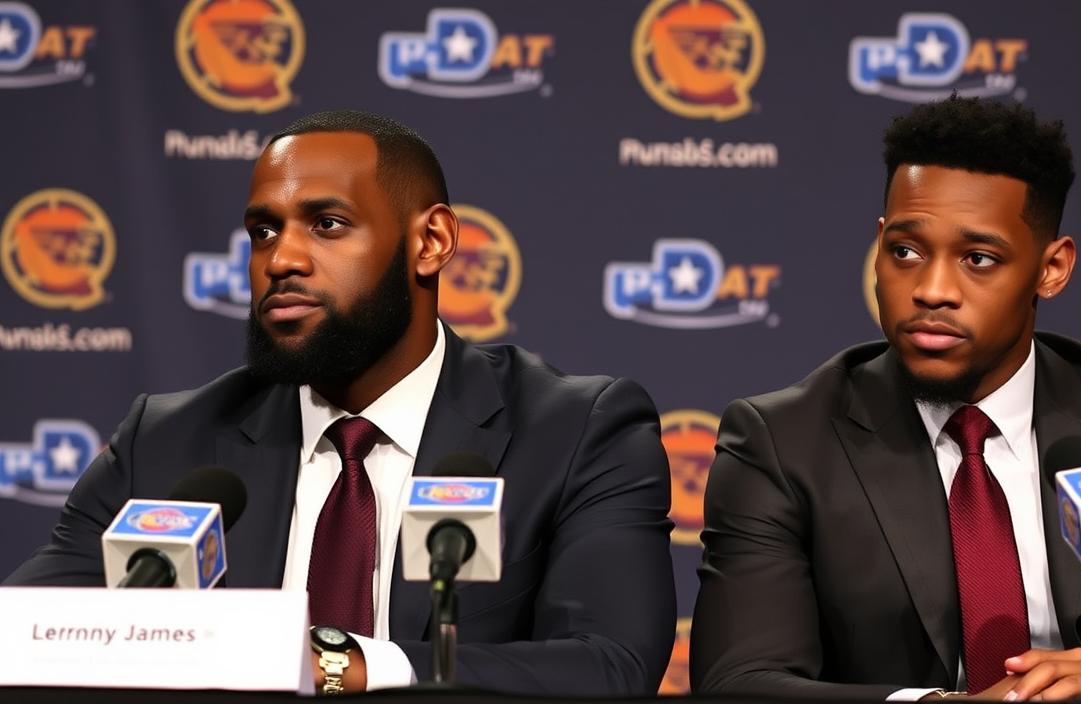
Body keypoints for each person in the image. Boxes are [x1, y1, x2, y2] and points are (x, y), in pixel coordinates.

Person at [6, 110, 676, 696]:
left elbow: (608, 667)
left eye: (326, 224)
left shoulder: (575, 431)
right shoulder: (166, 442)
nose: (281, 260)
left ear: (431, 242)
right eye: (263, 231)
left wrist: (342, 663)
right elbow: (22, 639)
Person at [690, 97, 1081, 703]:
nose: (932, 289)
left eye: (978, 259)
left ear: (1051, 269)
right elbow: (741, 682)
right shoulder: (784, 442)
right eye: (906, 251)